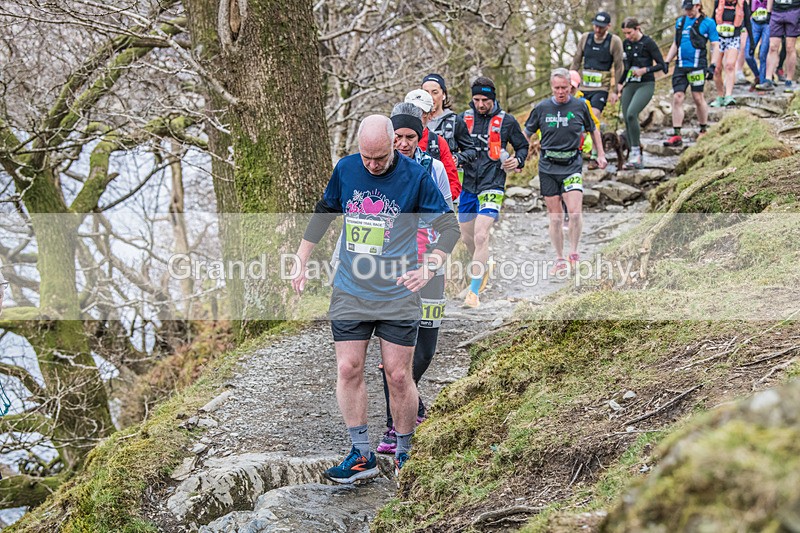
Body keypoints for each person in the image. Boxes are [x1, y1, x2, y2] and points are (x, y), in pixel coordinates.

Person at [291, 115, 460, 482]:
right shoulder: (347, 169)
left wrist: (429, 267)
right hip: (351, 288)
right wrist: (302, 258)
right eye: (367, 158)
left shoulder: (415, 176)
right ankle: (361, 454)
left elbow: (449, 226)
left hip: (398, 291)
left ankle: (403, 452)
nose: (372, 165)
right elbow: (325, 211)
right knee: (348, 368)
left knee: (398, 375)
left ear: (393, 146)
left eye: (380, 158)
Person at [376, 103, 454, 455]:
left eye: (409, 137)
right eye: (398, 137)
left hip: (429, 267)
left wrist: (438, 261)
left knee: (423, 350)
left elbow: (447, 218)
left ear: (418, 137)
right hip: (391, 270)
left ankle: (412, 403)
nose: (403, 143)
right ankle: (395, 423)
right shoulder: (379, 170)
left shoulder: (433, 168)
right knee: (391, 352)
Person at [524, 68, 608, 275]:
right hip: (548, 166)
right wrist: (519, 156)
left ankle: (574, 253)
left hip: (572, 164)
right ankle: (559, 258)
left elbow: (593, 129)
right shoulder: (542, 108)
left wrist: (600, 154)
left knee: (575, 212)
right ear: (551, 88)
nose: (561, 92)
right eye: (557, 88)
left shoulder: (580, 105)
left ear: (571, 86)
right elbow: (526, 133)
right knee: (555, 218)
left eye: (564, 88)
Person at [458, 76, 529, 308]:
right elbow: (450, 145)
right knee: (467, 236)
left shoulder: (506, 121)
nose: (480, 104)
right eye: (476, 99)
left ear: (493, 98)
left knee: (481, 235)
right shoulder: (463, 119)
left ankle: (474, 292)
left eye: (485, 100)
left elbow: (522, 146)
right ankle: (484, 265)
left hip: (493, 184)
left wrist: (517, 160)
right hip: (468, 185)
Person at [663, 0, 721, 147]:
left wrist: (713, 65)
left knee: (697, 97)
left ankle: (703, 129)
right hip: (680, 66)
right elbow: (676, 43)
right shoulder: (680, 22)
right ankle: (676, 134)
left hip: (698, 66)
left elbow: (715, 44)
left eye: (690, 8)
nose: (688, 12)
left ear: (698, 6)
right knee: (677, 97)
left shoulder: (708, 23)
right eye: (686, 9)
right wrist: (667, 61)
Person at [617, 17, 668, 168]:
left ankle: (636, 154)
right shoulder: (626, 44)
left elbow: (662, 65)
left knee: (632, 113)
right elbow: (626, 68)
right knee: (626, 117)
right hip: (631, 84)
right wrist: (619, 84)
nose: (627, 36)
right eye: (625, 33)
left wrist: (646, 69)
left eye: (629, 32)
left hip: (646, 83)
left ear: (637, 28)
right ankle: (635, 150)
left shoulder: (648, 43)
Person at [404, 89, 462, 201]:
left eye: (421, 113)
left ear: (431, 115)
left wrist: (434, 202)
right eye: (411, 111)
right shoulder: (390, 139)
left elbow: (453, 183)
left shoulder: (438, 143)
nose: (415, 117)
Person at [421, 74, 478, 187]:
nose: (430, 97)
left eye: (435, 92)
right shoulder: (414, 121)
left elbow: (472, 151)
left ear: (443, 95)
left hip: (448, 183)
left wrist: (457, 158)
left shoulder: (455, 121)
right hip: (421, 182)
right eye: (426, 92)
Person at [569, 11, 625, 115]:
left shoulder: (614, 41)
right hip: (583, 87)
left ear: (608, 26)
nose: (598, 30)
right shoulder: (585, 38)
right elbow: (576, 61)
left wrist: (615, 91)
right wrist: (569, 83)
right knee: (577, 116)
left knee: (593, 116)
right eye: (596, 26)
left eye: (601, 27)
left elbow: (618, 67)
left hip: (601, 88)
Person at [710, 0, 754, 107]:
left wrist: (752, 42)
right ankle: (720, 96)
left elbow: (747, 22)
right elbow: (712, 20)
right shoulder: (719, 2)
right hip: (718, 38)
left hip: (733, 37)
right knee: (717, 68)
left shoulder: (743, 4)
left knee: (730, 65)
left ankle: (729, 95)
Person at [755, 0, 799, 91]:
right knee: (772, 46)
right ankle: (768, 79)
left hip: (793, 10)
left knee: (790, 47)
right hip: (776, 11)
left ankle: (789, 80)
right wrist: (768, 12)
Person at [745, 0, 773, 86]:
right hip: (754, 22)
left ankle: (762, 81)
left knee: (762, 54)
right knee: (748, 55)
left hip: (768, 23)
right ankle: (757, 75)